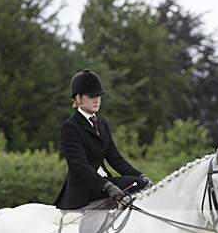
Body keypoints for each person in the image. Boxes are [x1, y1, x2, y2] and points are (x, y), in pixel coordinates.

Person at [53, 69, 151, 210]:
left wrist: (141, 175)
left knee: (140, 183)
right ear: (78, 98)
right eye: (91, 96)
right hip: (85, 187)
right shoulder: (70, 127)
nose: (96, 99)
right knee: (136, 184)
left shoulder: (102, 124)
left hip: (104, 182)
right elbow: (81, 166)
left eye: (99, 95)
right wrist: (107, 186)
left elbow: (116, 159)